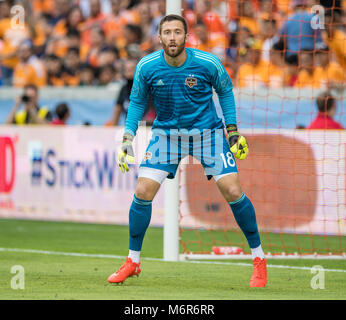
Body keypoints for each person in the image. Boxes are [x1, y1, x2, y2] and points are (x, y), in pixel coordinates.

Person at [108, 14, 267, 288]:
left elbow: (226, 92)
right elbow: (135, 103)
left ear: (186, 36)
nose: (172, 37)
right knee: (143, 190)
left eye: (177, 32)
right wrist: (127, 138)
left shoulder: (207, 63)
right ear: (159, 37)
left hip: (208, 135)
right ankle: (133, 261)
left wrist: (232, 131)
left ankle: (259, 259)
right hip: (167, 136)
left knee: (231, 189)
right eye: (167, 32)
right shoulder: (147, 66)